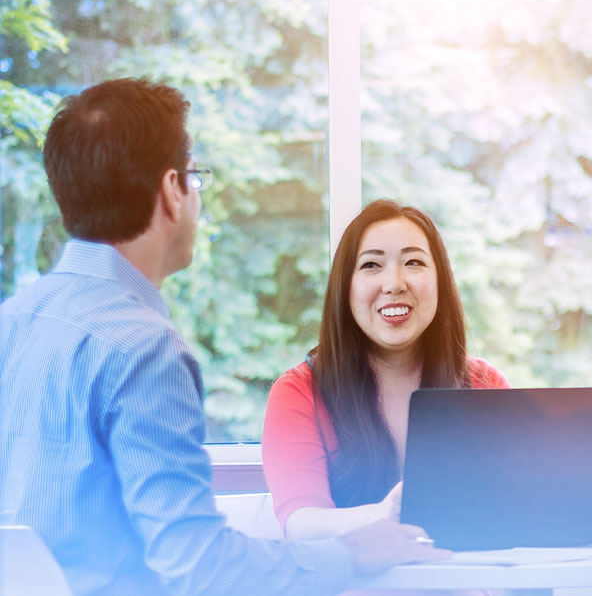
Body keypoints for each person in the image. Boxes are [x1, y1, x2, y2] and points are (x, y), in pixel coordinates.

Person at [0, 78, 446, 596]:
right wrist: (351, 553)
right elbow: (200, 568)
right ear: (172, 190)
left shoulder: (13, 321)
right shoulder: (144, 348)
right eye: (195, 177)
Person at [262, 199, 510, 544]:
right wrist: (381, 516)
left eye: (413, 262)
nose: (394, 283)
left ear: (440, 281)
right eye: (371, 265)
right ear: (344, 287)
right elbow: (300, 524)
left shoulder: (485, 385)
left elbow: (518, 508)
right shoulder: (299, 391)